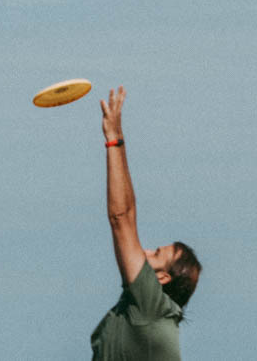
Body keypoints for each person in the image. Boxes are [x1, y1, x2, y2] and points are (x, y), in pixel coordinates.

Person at [90, 86, 202, 360]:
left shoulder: (150, 304)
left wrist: (113, 139)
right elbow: (128, 212)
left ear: (162, 278)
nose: (146, 250)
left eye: (156, 254)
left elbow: (121, 219)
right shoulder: (143, 306)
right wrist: (120, 142)